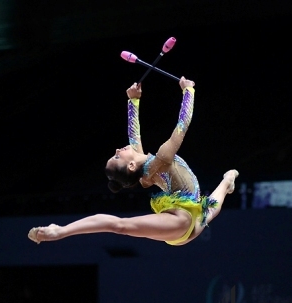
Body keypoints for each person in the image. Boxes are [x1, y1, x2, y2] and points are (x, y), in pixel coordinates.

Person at [28, 77, 238, 246]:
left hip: (191, 217)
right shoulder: (162, 158)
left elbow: (133, 135)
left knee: (208, 209)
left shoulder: (144, 165)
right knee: (121, 226)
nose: (118, 149)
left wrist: (133, 100)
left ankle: (227, 181)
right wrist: (188, 92)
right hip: (179, 221)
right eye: (117, 156)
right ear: (130, 166)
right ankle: (60, 231)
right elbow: (182, 126)